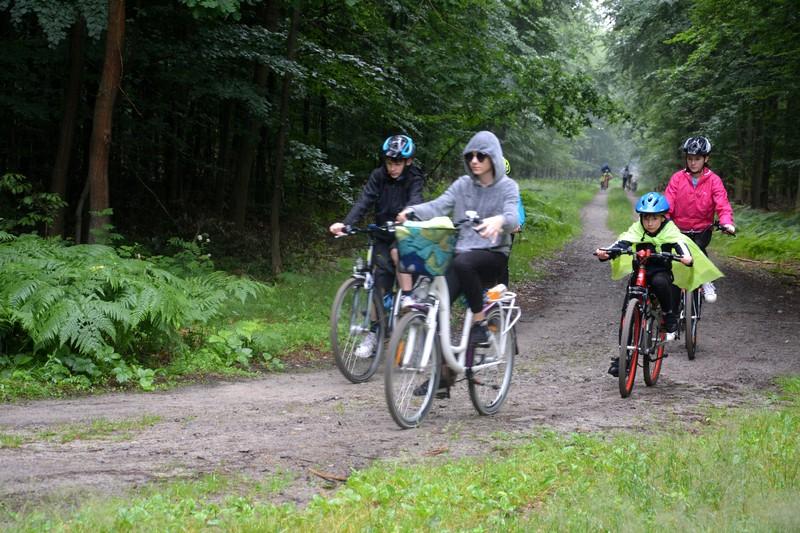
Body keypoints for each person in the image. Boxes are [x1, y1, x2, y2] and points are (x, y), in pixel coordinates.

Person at [397, 131, 520, 396]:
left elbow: (512, 216)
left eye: (481, 156)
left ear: (493, 158)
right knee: (435, 304)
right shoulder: (463, 184)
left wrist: (499, 221)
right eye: (470, 156)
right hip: (462, 253)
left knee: (463, 263)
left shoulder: (507, 186)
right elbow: (439, 206)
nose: (474, 160)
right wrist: (412, 211)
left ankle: (480, 324)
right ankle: (444, 374)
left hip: (492, 254)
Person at [595, 192, 723, 377]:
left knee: (661, 282)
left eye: (654, 218)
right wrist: (606, 252)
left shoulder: (670, 229)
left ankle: (669, 316)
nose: (649, 223)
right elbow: (621, 242)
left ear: (663, 217)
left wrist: (686, 257)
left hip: (660, 271)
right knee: (627, 309)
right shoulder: (637, 229)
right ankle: (624, 357)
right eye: (645, 218)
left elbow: (681, 244)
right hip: (640, 271)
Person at [329, 134, 424, 356]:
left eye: (397, 163)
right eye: (389, 162)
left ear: (408, 161)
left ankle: (408, 297)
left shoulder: (414, 177)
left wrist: (408, 212)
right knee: (378, 286)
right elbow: (365, 200)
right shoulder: (378, 176)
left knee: (397, 252)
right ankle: (374, 334)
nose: (392, 168)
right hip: (382, 232)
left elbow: (416, 199)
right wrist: (346, 224)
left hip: (405, 232)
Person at [663, 136, 735, 303]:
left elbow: (722, 203)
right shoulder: (677, 178)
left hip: (702, 229)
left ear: (706, 159)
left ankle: (705, 279)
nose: (693, 162)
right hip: (678, 228)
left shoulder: (714, 180)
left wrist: (726, 222)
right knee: (672, 259)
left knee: (698, 248)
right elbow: (668, 201)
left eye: (697, 159)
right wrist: (664, 219)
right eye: (690, 158)